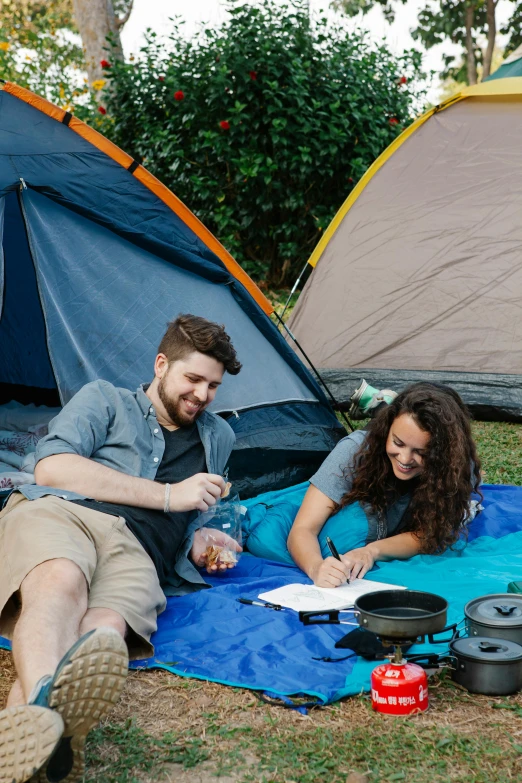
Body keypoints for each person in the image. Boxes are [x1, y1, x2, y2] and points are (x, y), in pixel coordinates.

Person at [0, 314, 241, 783]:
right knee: (61, 582)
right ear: (161, 364)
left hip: (140, 554)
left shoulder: (220, 437)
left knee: (104, 634)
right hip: (67, 516)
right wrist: (169, 496)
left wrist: (202, 541)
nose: (202, 395)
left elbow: (197, 514)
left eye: (213, 386)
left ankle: (36, 734)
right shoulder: (105, 399)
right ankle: (53, 716)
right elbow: (52, 467)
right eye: (193, 378)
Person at [286, 383, 482, 587]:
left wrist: (371, 551)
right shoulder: (353, 451)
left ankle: (380, 402)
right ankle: (380, 403)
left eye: (421, 453)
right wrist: (316, 568)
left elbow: (429, 533)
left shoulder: (456, 467)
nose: (405, 459)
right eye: (398, 443)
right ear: (387, 430)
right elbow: (303, 529)